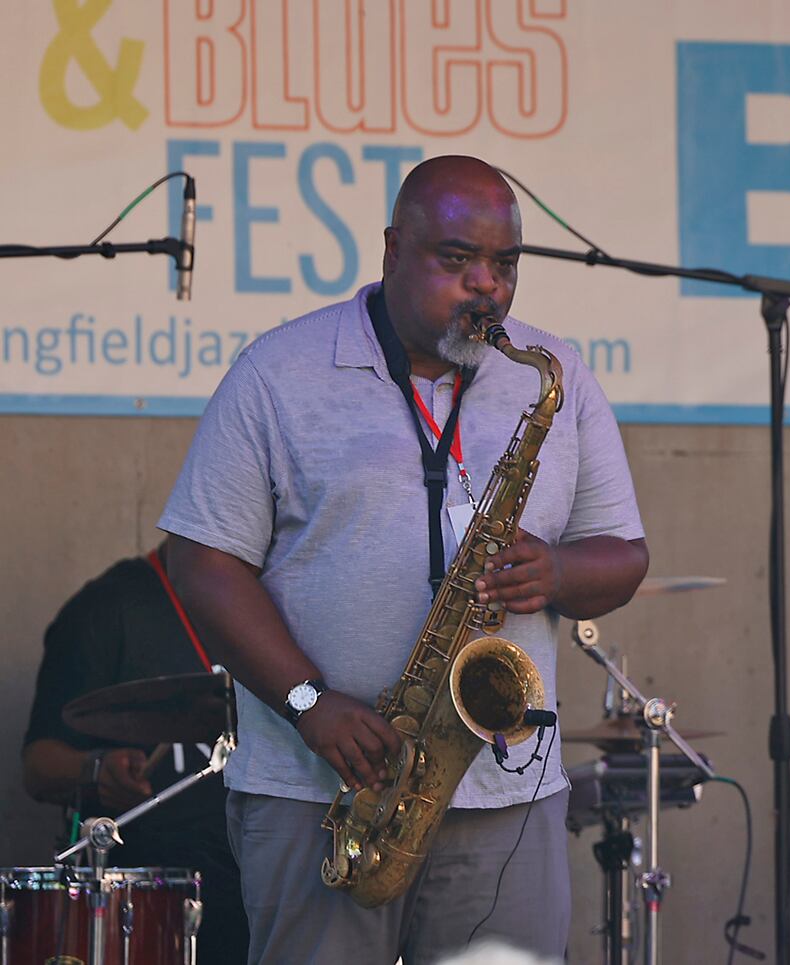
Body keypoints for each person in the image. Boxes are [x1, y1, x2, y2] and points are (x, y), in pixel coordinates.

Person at [158, 155, 649, 963]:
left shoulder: (554, 377)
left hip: (505, 796)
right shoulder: (279, 373)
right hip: (321, 794)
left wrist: (557, 574)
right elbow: (202, 561)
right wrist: (309, 700)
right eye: (456, 260)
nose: (486, 285)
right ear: (393, 249)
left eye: (505, 264)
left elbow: (625, 557)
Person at [21, 538, 248, 964]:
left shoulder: (270, 601)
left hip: (270, 881)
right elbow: (38, 766)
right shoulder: (107, 608)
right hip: (151, 906)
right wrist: (96, 769)